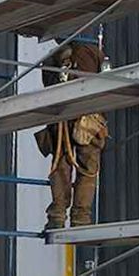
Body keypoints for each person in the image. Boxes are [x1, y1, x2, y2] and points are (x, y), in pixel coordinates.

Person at [34, 39, 108, 229]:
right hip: (86, 119)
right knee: (87, 169)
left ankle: (59, 215)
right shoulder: (94, 52)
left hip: (64, 118)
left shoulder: (52, 59)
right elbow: (107, 83)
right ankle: (79, 218)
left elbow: (48, 87)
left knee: (61, 166)